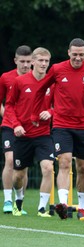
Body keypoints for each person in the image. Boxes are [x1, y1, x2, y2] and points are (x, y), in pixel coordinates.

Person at [31, 38, 84, 220]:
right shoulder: (57, 69)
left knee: (83, 167)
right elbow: (40, 90)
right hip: (61, 125)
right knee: (64, 162)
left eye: (81, 55)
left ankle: (81, 207)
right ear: (68, 53)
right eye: (75, 55)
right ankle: (63, 204)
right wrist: (35, 113)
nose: (78, 58)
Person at [7, 47, 54, 217]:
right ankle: (18, 200)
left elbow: (60, 106)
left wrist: (51, 112)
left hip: (43, 134)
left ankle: (42, 208)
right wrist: (16, 125)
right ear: (33, 62)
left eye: (46, 61)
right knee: (19, 175)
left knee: (48, 168)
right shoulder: (20, 81)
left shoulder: (52, 83)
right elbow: (10, 105)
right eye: (40, 60)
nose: (43, 64)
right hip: (23, 135)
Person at [0, 45, 32, 214]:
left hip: (28, 129)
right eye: (22, 62)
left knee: (22, 167)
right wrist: (11, 119)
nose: (25, 65)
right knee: (10, 161)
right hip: (9, 126)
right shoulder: (6, 78)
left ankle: (19, 202)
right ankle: (7, 200)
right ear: (15, 61)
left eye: (28, 61)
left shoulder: (37, 78)